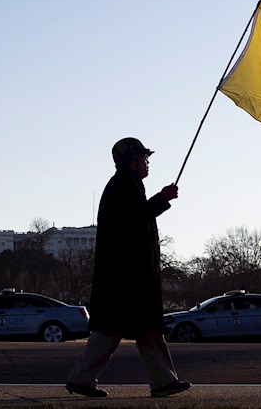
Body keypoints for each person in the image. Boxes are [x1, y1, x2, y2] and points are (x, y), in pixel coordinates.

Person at [66, 137, 191, 399]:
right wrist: (162, 198)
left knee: (130, 331)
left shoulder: (125, 184)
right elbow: (135, 219)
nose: (147, 163)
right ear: (133, 160)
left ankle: (159, 381)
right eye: (144, 158)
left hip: (123, 276)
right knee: (131, 330)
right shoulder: (125, 185)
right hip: (129, 277)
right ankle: (160, 382)